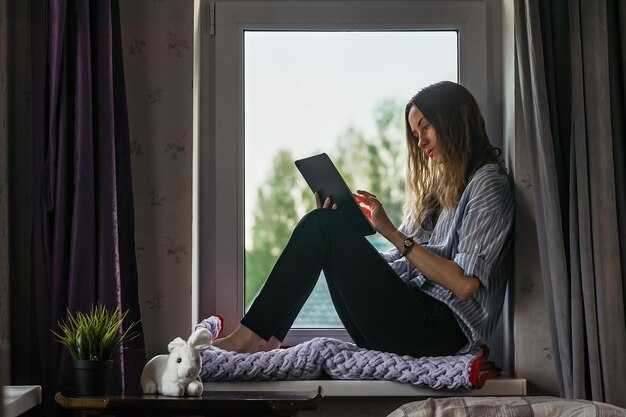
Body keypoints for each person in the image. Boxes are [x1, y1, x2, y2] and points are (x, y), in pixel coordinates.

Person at [213, 81, 514, 357]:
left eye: (426, 127)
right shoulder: (440, 191)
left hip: (442, 332)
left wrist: (390, 232)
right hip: (412, 320)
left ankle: (248, 339)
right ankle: (264, 339)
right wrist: (344, 240)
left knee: (322, 227)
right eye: (415, 134)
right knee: (323, 225)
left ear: (458, 118)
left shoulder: (488, 183)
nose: (420, 142)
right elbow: (401, 262)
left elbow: (464, 285)